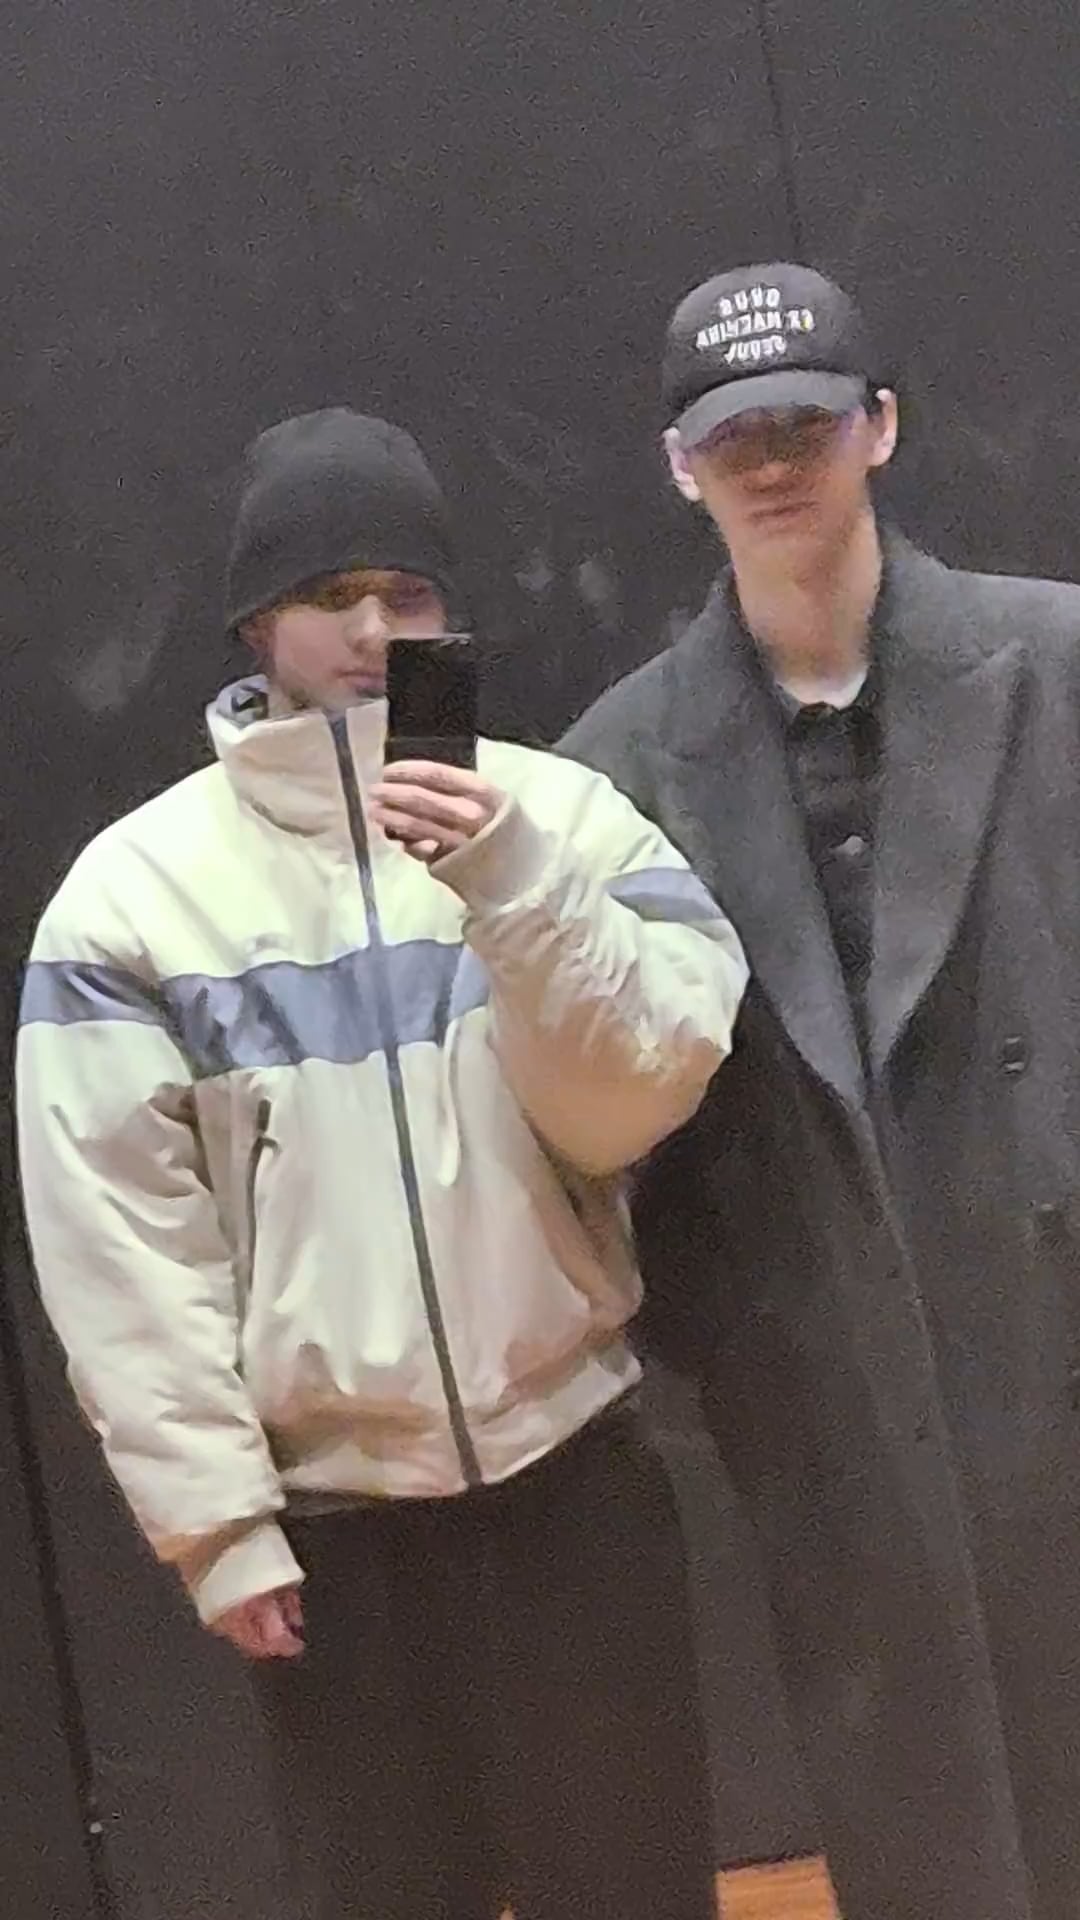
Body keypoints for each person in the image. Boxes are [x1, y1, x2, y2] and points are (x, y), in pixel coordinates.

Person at [16, 408, 748, 1920]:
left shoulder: (558, 816)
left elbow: (643, 1093)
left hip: (579, 1495)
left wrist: (513, 883)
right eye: (328, 595)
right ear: (255, 621)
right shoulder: (133, 899)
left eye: (405, 595)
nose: (370, 633)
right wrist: (219, 1529)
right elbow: (121, 1243)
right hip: (338, 1544)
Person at [561, 261, 1080, 1920]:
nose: (773, 463)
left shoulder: (1060, 665)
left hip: (1054, 1334)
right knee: (927, 1831)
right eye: (736, 437)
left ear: (882, 427)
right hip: (829, 1406)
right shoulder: (614, 771)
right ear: (679, 467)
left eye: (804, 422)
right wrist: (733, 1345)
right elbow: (604, 1110)